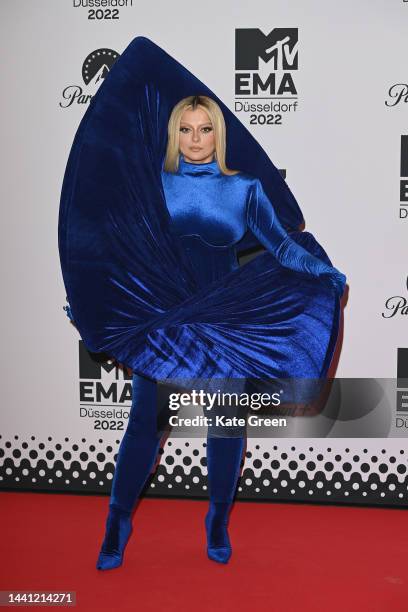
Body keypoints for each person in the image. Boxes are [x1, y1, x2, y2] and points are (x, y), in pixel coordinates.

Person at [58, 37, 346, 570]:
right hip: (164, 317)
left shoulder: (245, 190)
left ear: (219, 133)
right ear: (175, 134)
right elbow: (107, 241)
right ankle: (116, 523)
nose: (195, 138)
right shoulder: (154, 186)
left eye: (205, 128)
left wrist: (322, 271)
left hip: (223, 317)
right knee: (146, 421)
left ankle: (216, 520)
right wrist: (90, 299)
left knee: (226, 422)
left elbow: (281, 246)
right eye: (185, 130)